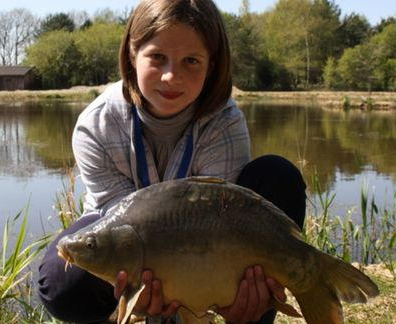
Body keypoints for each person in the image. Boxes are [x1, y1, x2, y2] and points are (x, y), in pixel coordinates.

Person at [37, 0, 307, 323]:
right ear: (131, 55)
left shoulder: (226, 123)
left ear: (212, 65)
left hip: (209, 242)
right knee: (59, 280)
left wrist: (227, 300)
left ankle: (260, 307)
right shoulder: (94, 126)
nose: (171, 76)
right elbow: (125, 227)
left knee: (278, 176)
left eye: (191, 60)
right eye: (157, 57)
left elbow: (222, 223)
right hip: (135, 240)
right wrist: (140, 291)